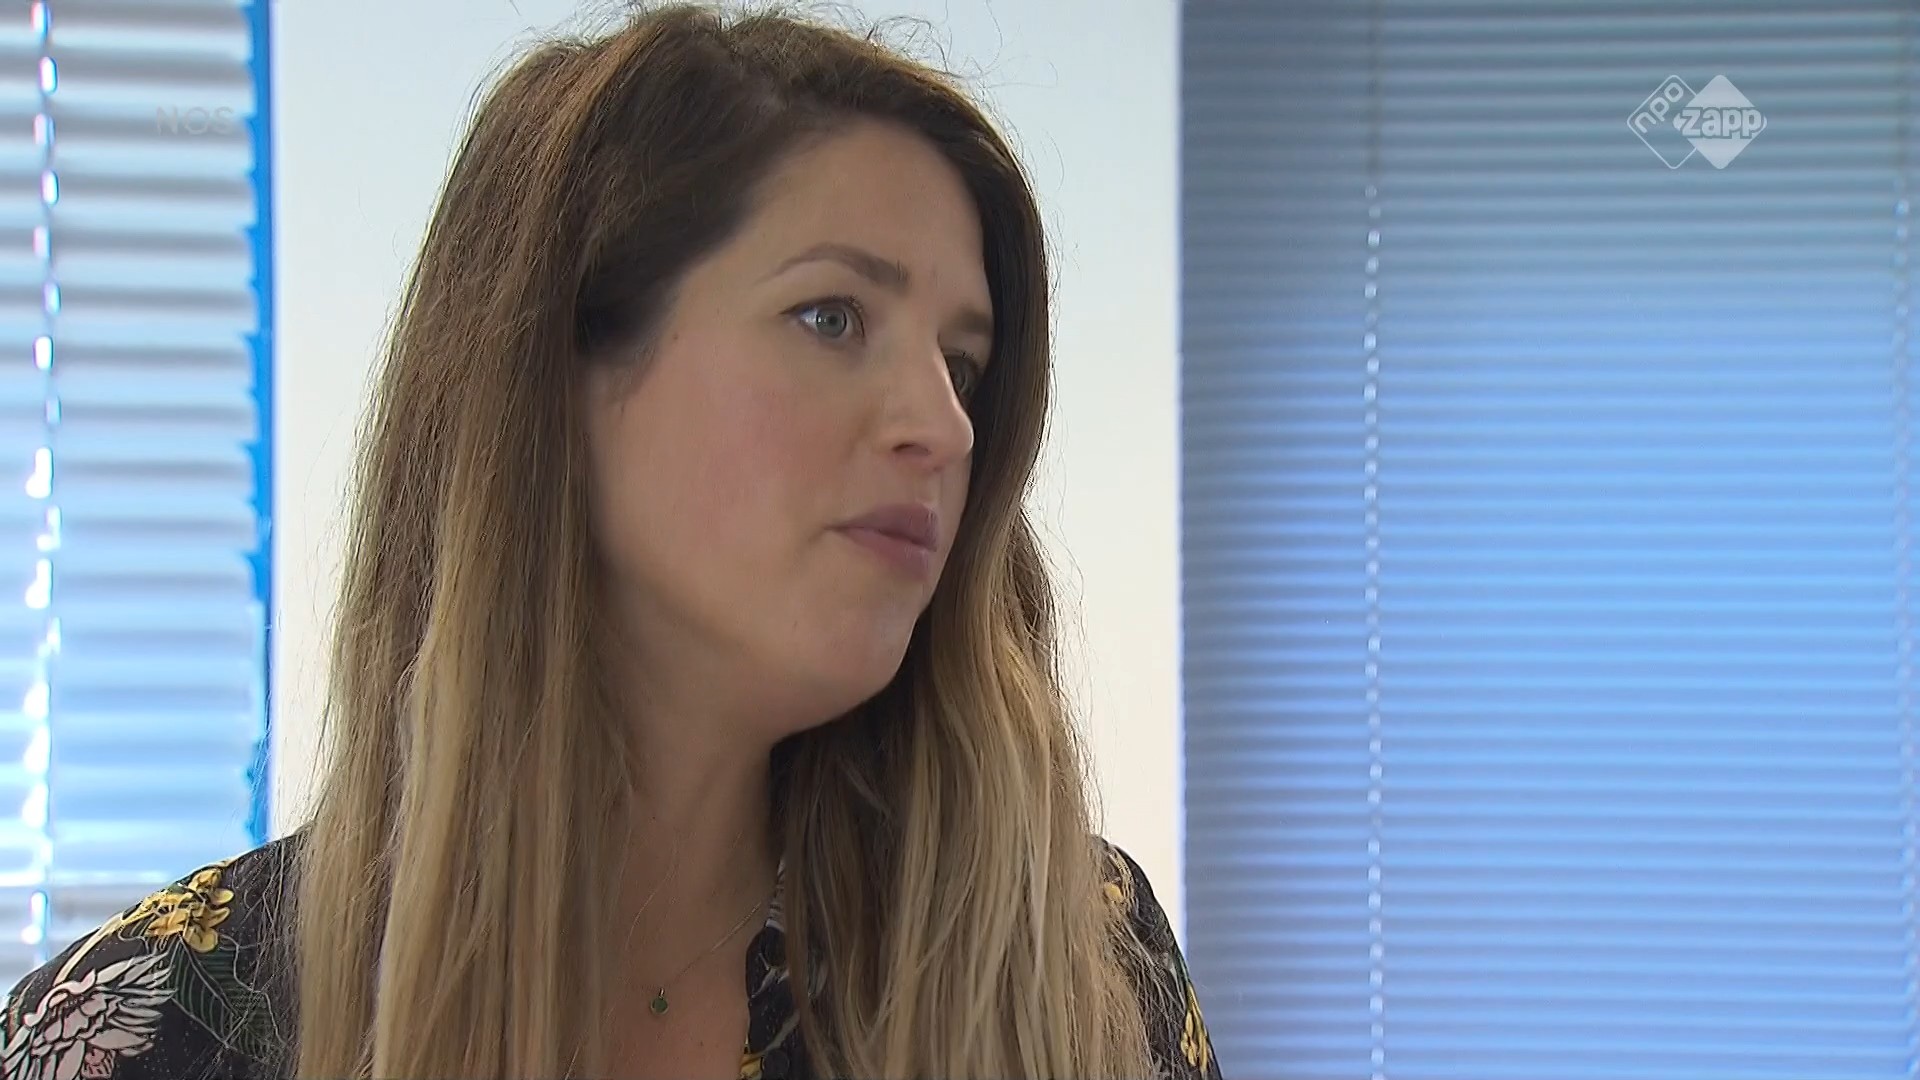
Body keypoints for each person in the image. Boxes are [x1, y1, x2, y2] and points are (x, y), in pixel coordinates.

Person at [0, 4, 1223, 1079]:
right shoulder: (149, 1033)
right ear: (558, 378)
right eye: (832, 317)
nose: (943, 425)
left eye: (963, 363)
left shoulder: (1075, 975)